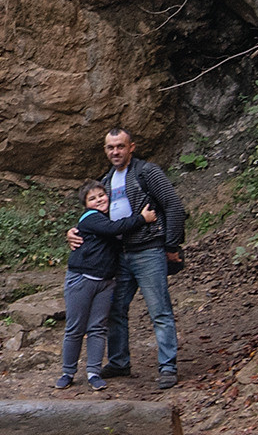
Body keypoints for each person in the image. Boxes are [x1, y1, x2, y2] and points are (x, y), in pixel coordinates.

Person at [69, 127, 187, 390]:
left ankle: (168, 366)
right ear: (105, 150)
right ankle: (119, 361)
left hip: (148, 251)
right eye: (110, 147)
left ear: (131, 147)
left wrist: (171, 244)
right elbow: (95, 217)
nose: (115, 152)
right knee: (115, 309)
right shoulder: (106, 181)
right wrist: (73, 231)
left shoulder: (147, 172)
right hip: (119, 256)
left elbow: (173, 205)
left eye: (120, 146)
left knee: (159, 310)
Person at [56, 182, 154, 391]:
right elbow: (114, 229)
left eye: (102, 195)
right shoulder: (91, 218)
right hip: (81, 278)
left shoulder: (107, 218)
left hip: (106, 281)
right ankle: (67, 372)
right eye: (93, 198)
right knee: (75, 328)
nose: (99, 200)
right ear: (85, 204)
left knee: (98, 328)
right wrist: (142, 219)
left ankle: (93, 372)